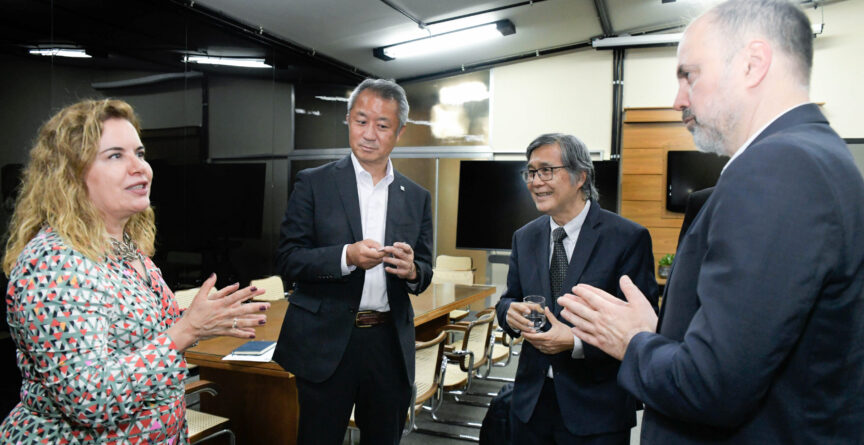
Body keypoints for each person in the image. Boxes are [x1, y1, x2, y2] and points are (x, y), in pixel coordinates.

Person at [558, 1, 864, 443]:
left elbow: (711, 386)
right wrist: (657, 333)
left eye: (690, 75)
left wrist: (633, 342)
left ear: (753, 64)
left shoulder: (776, 166)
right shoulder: (817, 155)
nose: (678, 99)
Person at [0, 99, 270, 444]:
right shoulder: (54, 263)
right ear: (70, 174)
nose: (140, 167)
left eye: (139, 153)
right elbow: (89, 400)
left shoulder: (126, 246)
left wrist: (203, 320)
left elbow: (140, 336)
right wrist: (187, 330)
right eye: (116, 155)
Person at [272, 78, 433, 444]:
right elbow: (288, 259)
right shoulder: (313, 183)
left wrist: (412, 271)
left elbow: (424, 269)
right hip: (325, 344)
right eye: (361, 121)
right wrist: (346, 256)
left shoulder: (416, 196)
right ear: (348, 120)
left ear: (399, 131)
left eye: (383, 125)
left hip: (388, 345)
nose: (369, 134)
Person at [495, 133, 658, 445]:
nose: (535, 182)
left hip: (597, 408)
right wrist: (508, 313)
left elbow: (643, 328)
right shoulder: (524, 237)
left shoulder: (627, 238)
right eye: (531, 172)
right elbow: (509, 299)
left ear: (580, 176)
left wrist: (575, 341)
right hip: (531, 405)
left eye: (546, 171)